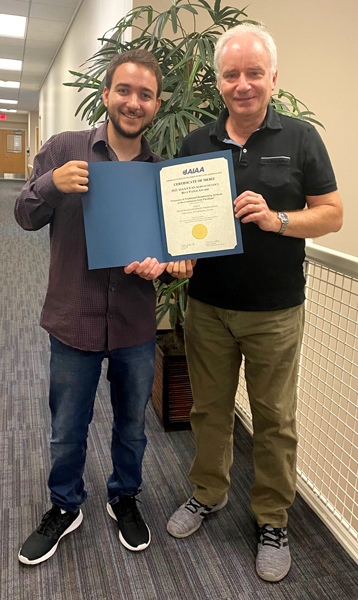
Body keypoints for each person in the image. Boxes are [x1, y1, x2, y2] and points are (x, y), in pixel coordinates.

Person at [167, 23, 343, 582]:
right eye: (230, 74)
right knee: (209, 410)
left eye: (253, 73)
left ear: (273, 78)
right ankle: (207, 493)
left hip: (276, 312)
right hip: (210, 307)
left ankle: (272, 518)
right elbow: (177, 222)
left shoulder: (301, 139)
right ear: (217, 81)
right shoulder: (196, 143)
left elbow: (333, 213)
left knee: (274, 419)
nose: (242, 84)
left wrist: (277, 219)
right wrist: (180, 253)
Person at [15, 49, 194, 566]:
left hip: (135, 324)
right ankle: (65, 505)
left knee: (132, 426)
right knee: (67, 426)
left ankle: (124, 497)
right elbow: (23, 215)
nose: (132, 102)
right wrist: (52, 183)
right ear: (106, 94)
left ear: (156, 105)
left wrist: (168, 264)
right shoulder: (65, 149)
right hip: (73, 320)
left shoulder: (162, 175)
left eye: (144, 94)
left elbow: (171, 249)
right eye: (124, 90)